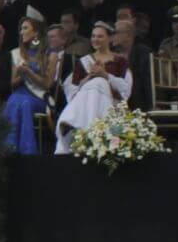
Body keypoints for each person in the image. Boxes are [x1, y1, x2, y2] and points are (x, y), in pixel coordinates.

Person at [55, 21, 133, 154]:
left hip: (110, 101)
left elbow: (126, 89)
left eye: (100, 36)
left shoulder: (120, 61)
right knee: (95, 82)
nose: (95, 39)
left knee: (99, 82)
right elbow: (73, 91)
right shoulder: (84, 61)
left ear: (110, 38)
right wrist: (89, 77)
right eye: (93, 36)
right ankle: (89, 131)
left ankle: (85, 129)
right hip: (85, 102)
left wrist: (105, 75)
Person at [3, 17, 55, 154]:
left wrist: (28, 72)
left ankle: (27, 152)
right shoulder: (17, 53)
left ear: (36, 32)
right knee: (13, 100)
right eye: (21, 29)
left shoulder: (50, 54)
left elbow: (47, 84)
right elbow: (12, 83)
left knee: (24, 103)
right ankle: (9, 151)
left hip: (39, 97)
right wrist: (21, 75)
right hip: (20, 93)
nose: (21, 32)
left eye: (25, 28)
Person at [112, 18, 154, 111]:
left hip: (138, 99)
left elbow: (147, 82)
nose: (112, 36)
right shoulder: (111, 53)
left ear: (128, 35)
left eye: (115, 33)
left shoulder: (144, 53)